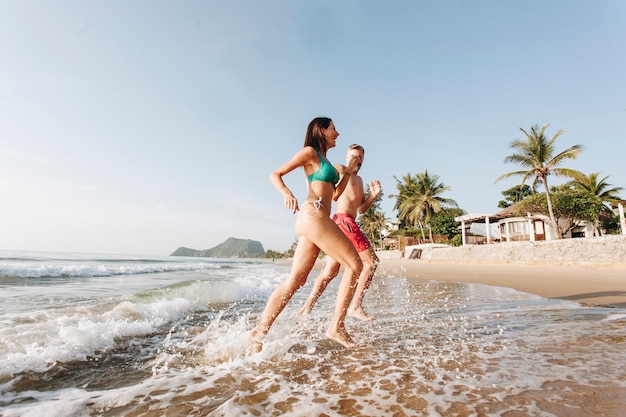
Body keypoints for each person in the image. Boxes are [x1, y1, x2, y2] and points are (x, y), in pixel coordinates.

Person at [249, 117, 363, 352]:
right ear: (321, 130)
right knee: (355, 265)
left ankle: (258, 333)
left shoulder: (326, 161)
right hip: (314, 216)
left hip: (314, 218)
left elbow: (334, 195)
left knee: (297, 279)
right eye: (333, 129)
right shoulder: (310, 152)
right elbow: (275, 174)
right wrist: (287, 193)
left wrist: (349, 173)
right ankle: (336, 327)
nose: (337, 133)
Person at [298, 144, 381, 321]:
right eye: (352, 156)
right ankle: (356, 306)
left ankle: (306, 308)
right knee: (371, 262)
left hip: (345, 222)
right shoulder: (341, 170)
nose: (356, 159)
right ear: (346, 157)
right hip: (343, 220)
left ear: (363, 159)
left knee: (330, 272)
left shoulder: (359, 180)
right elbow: (330, 190)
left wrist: (373, 195)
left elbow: (362, 209)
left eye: (359, 157)